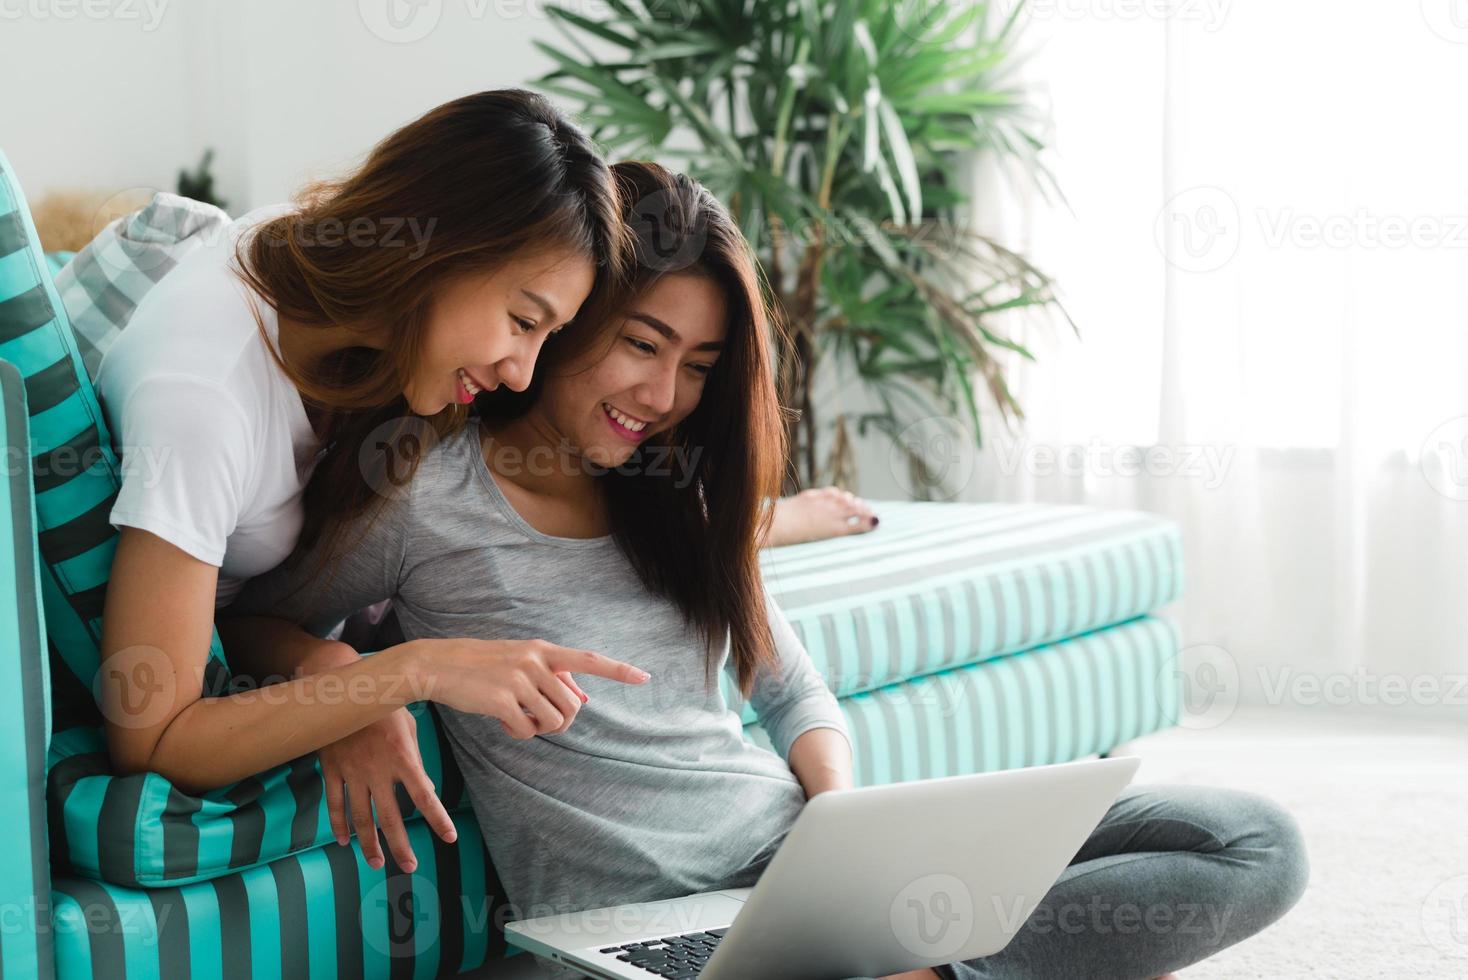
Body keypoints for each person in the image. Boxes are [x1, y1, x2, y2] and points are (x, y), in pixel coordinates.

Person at [229, 162, 1308, 979]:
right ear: (564, 322)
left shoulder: (679, 497)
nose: (663, 394)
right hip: (626, 927)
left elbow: (787, 685)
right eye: (641, 344)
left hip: (797, 876)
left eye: (698, 366)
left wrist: (843, 834)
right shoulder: (424, 496)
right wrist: (354, 681)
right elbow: (250, 622)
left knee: (1250, 839)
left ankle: (925, 972)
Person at [97, 91, 653, 878]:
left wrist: (327, 668)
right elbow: (151, 739)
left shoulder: (315, 280)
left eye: (547, 336)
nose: (520, 370)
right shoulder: (203, 404)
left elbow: (264, 605)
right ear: (440, 248)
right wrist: (403, 673)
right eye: (523, 321)